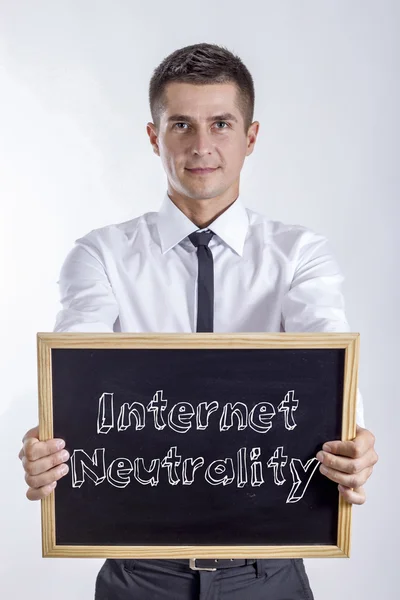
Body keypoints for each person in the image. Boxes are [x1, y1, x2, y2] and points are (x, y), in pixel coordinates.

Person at [18, 42, 378, 600]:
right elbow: (74, 372)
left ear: (251, 137)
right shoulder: (101, 256)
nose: (201, 145)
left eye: (221, 124)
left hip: (268, 574)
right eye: (181, 124)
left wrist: (354, 439)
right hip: (140, 575)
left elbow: (328, 356)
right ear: (153, 136)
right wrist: (50, 439)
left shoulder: (300, 255)